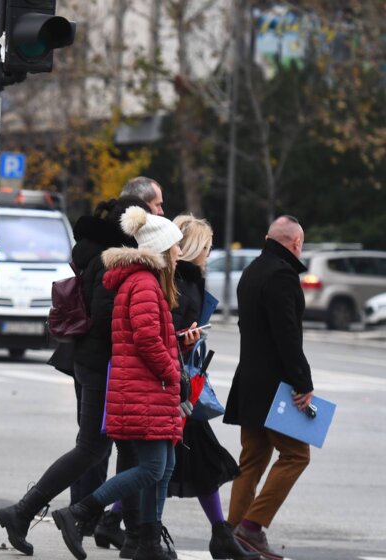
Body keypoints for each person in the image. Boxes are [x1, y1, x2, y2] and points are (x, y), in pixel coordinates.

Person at [0, 196, 149, 556]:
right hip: (99, 364)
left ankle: (132, 534)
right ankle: (27, 512)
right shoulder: (110, 257)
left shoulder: (98, 250)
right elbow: (105, 318)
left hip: (90, 361)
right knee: (93, 447)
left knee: (118, 447)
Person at [52, 206, 184, 560]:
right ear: (160, 249)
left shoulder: (145, 281)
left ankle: (146, 540)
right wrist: (173, 371)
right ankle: (79, 513)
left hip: (146, 387)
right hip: (144, 388)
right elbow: (146, 338)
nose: (179, 253)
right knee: (153, 466)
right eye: (175, 246)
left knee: (165, 465)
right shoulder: (143, 282)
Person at [167, 216, 258, 560]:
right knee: (163, 464)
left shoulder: (186, 280)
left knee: (177, 462)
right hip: (176, 387)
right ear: (193, 248)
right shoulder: (182, 283)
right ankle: (99, 514)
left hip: (180, 384)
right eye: (206, 247)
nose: (210, 253)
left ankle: (220, 535)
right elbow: (167, 338)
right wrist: (188, 342)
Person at [224, 216, 312, 560]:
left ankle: (229, 534)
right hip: (276, 388)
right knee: (295, 455)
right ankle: (252, 526)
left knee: (252, 459)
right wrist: (302, 382)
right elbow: (287, 335)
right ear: (296, 243)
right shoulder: (282, 276)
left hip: (249, 381)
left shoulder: (252, 272)